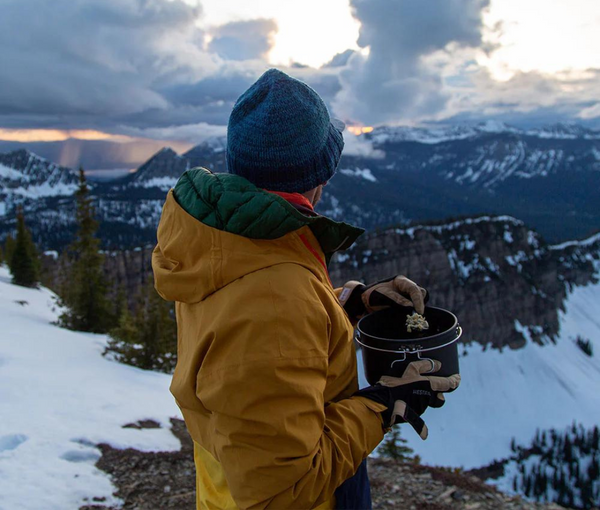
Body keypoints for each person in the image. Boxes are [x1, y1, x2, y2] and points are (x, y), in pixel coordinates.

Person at [152, 68, 460, 510]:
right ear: (317, 176)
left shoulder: (222, 240)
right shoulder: (277, 297)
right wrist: (384, 402)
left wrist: (351, 305)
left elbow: (257, 343)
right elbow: (284, 492)